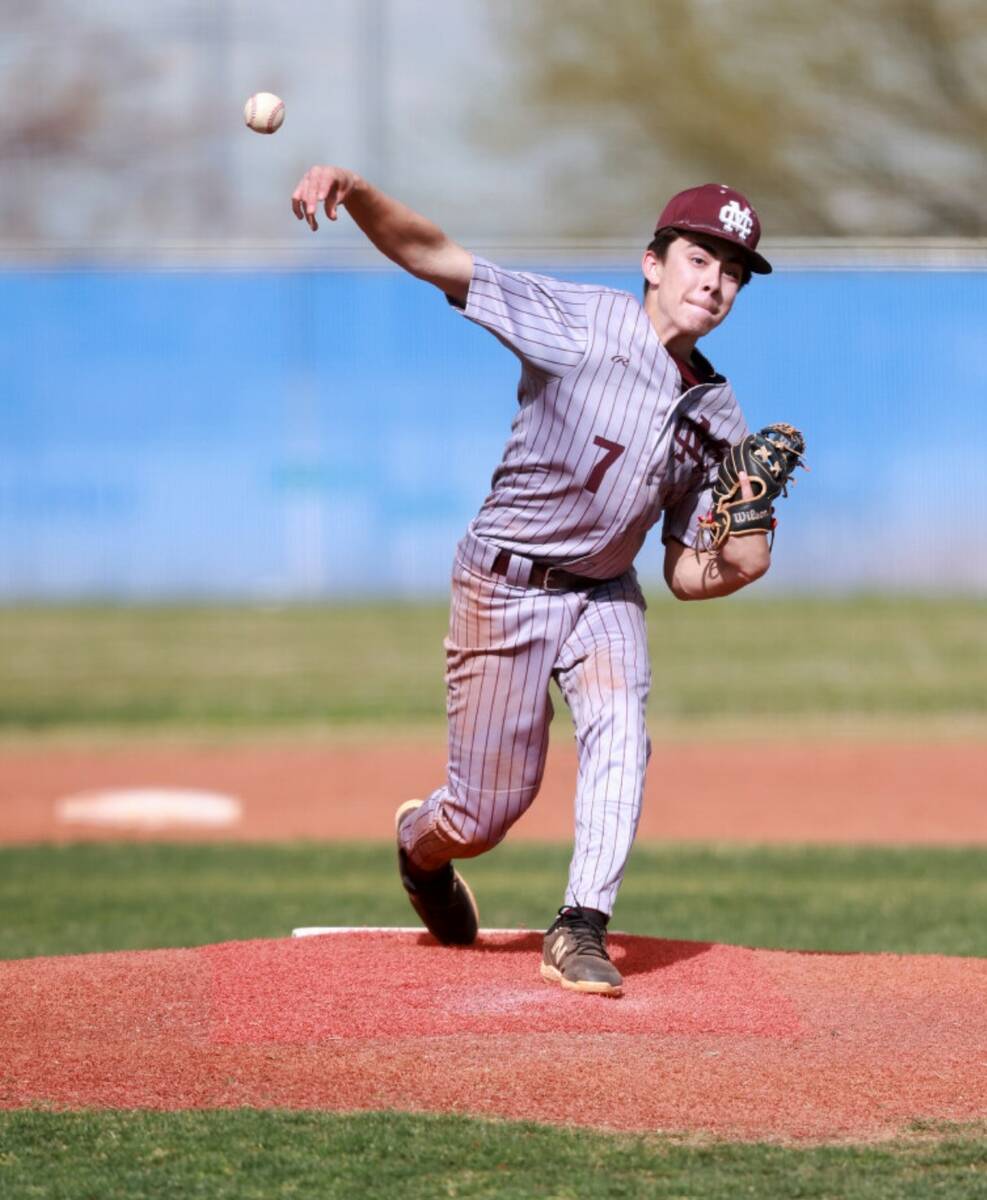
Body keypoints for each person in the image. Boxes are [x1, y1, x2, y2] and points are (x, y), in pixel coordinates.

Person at [292, 169, 775, 996]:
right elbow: (437, 256)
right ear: (652, 263)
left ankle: (580, 925)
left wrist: (743, 559)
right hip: (503, 583)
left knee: (622, 726)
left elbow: (683, 573)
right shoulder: (578, 322)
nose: (714, 281)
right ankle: (420, 846)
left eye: (732, 271)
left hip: (603, 592)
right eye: (700, 257)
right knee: (484, 814)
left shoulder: (718, 418)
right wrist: (356, 190)